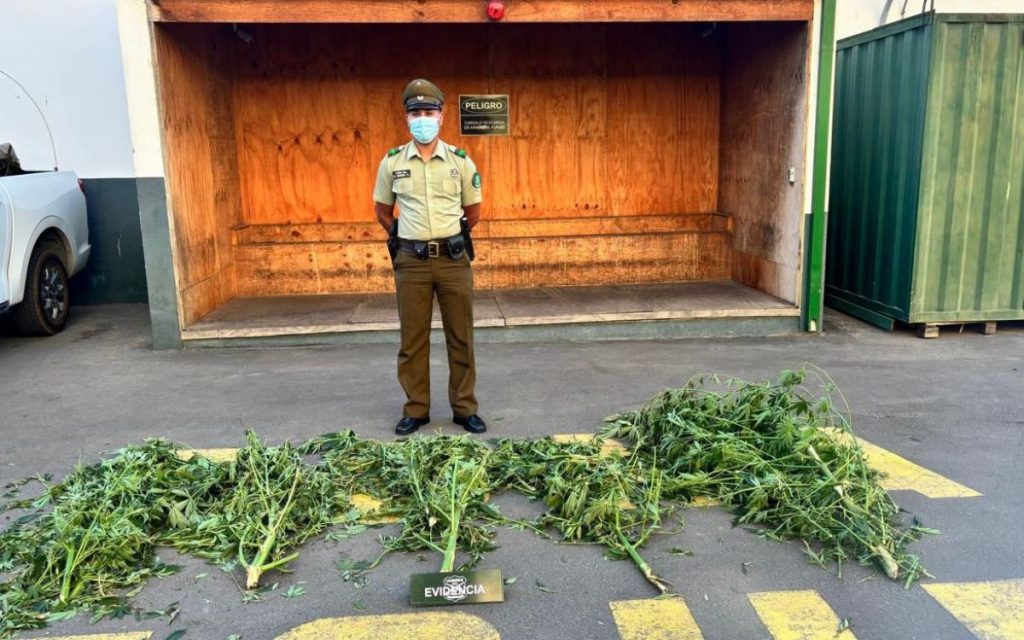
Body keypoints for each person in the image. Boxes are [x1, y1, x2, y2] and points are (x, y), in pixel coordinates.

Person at [372, 78, 486, 436]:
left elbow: (473, 212)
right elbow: (382, 210)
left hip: (453, 260)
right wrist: (402, 234)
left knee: (461, 336)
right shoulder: (392, 162)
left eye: (429, 112)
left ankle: (464, 408)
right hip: (412, 262)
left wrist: (450, 235)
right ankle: (416, 409)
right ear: (406, 118)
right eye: (416, 113)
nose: (423, 118)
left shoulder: (460, 162)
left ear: (441, 116)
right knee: (413, 340)